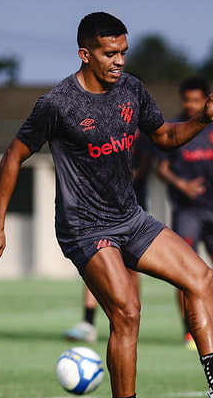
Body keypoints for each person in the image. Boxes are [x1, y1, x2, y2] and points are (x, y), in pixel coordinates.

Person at [0, 12, 213, 398]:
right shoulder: (56, 104)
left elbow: (164, 136)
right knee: (128, 312)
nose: (119, 60)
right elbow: (12, 156)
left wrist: (203, 119)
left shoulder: (132, 90)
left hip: (130, 218)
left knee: (201, 277)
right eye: (109, 53)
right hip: (84, 228)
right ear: (85, 54)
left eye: (123, 51)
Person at [157, 77, 213, 351]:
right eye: (187, 100)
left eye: (196, 100)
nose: (191, 105)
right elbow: (162, 166)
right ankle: (189, 330)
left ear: (205, 100)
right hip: (186, 212)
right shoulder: (175, 128)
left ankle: (208, 318)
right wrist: (182, 185)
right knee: (186, 273)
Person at [64, 129, 157, 345]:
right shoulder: (106, 131)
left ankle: (132, 317)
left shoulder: (143, 139)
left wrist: (117, 177)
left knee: (132, 268)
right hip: (102, 209)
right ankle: (88, 323)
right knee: (96, 260)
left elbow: (144, 167)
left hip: (133, 209)